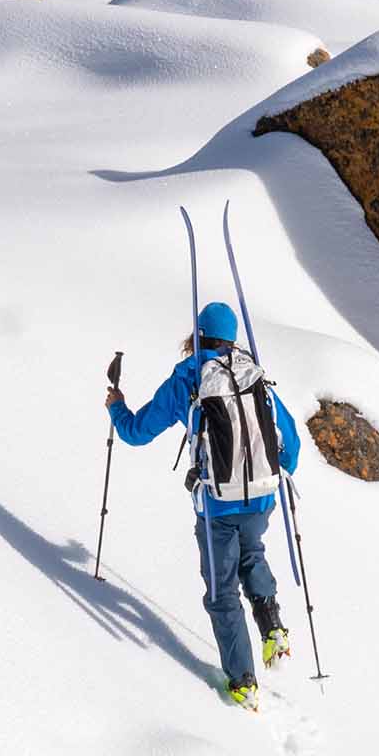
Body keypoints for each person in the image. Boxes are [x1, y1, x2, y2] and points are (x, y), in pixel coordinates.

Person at [108, 300, 305, 706]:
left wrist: (116, 408)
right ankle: (273, 627)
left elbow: (137, 433)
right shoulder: (255, 377)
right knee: (252, 552)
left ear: (198, 335)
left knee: (222, 592)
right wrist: (268, 474)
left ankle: (243, 681)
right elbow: (292, 446)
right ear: (232, 338)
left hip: (217, 504)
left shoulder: (189, 378)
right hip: (262, 498)